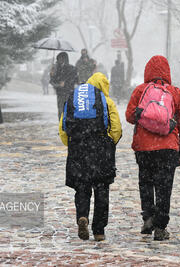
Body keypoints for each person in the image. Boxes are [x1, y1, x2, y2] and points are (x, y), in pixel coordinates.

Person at [125, 55, 180, 241]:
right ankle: (161, 227)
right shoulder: (175, 92)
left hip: (144, 148)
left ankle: (148, 217)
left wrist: (145, 116)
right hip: (168, 148)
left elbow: (130, 116)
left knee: (145, 183)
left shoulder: (140, 90)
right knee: (164, 188)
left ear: (147, 71)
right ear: (168, 71)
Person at [59, 72, 122, 242]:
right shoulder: (106, 102)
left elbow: (63, 128)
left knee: (82, 187)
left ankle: (82, 216)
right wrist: (109, 145)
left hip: (78, 149)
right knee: (101, 189)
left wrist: (72, 146)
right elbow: (116, 129)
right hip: (100, 150)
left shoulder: (75, 99)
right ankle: (99, 230)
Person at [50, 52, 78, 120]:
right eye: (59, 58)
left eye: (62, 58)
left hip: (69, 92)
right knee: (61, 111)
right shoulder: (55, 68)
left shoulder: (72, 68)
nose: (60, 60)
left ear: (65, 59)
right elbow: (52, 81)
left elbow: (76, 80)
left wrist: (66, 83)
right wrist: (52, 74)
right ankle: (61, 127)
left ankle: (68, 127)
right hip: (60, 93)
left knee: (69, 110)